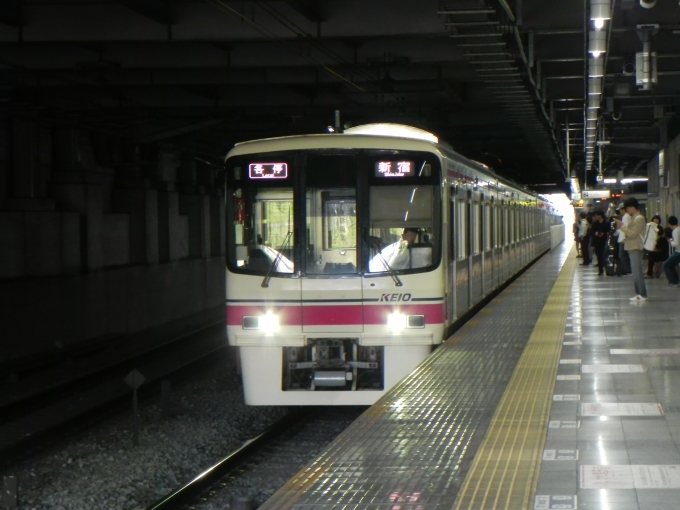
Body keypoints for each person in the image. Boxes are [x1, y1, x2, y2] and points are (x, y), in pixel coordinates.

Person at [615, 197, 647, 301]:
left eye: (627, 208)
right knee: (636, 272)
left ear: (632, 207)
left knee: (637, 273)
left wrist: (622, 226)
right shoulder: (635, 218)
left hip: (636, 248)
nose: (626, 211)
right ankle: (639, 293)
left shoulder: (639, 219)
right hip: (632, 247)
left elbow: (633, 234)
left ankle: (641, 294)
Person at [590, 210, 610, 275]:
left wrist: (604, 234)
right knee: (598, 255)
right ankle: (600, 270)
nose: (595, 217)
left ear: (600, 216)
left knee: (604, 255)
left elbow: (609, 232)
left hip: (605, 241)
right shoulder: (595, 224)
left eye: (596, 215)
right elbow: (592, 233)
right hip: (597, 242)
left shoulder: (607, 223)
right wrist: (595, 233)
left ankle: (607, 269)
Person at [662, 216, 680, 286]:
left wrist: (670, 242)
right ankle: (676, 281)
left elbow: (676, 243)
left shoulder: (675, 231)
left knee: (666, 264)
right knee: (671, 265)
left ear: (669, 224)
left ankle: (673, 281)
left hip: (678, 252)